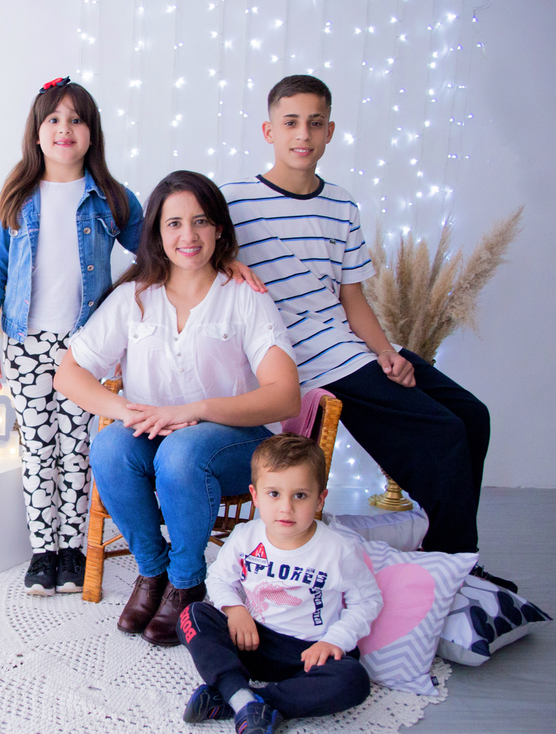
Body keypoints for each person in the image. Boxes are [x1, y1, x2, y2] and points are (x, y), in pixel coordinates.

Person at [220, 74, 514, 591]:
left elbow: (352, 297)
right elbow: (189, 253)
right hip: (306, 359)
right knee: (443, 434)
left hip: (351, 347)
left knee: (473, 416)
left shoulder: (341, 205)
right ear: (269, 131)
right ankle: (457, 565)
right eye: (290, 123)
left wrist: (386, 353)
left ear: (330, 131)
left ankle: (443, 546)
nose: (303, 134)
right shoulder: (234, 202)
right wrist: (226, 263)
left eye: (315, 123)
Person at [53, 170, 301, 646]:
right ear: (157, 232)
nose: (189, 235)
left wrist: (195, 410)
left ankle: (187, 581)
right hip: (159, 440)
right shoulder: (134, 298)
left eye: (201, 221)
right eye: (174, 223)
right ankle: (153, 573)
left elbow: (286, 395)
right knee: (109, 447)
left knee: (182, 451)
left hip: (236, 446)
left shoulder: (243, 296)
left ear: (219, 229)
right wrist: (126, 410)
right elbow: (69, 374)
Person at [0, 77, 144, 596]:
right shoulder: (16, 197)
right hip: (24, 344)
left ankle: (72, 550)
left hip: (82, 347)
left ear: (92, 133)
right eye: (53, 119)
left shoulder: (112, 199)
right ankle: (43, 551)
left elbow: (155, 255)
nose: (64, 129)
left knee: (76, 449)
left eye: (76, 120)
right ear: (37, 132)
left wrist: (127, 316)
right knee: (37, 449)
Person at [177, 433, 382, 734]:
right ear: (255, 496)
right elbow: (218, 578)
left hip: (306, 655)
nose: (286, 507)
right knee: (192, 615)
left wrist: (334, 641)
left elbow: (368, 601)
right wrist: (235, 610)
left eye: (300, 495)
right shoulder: (245, 536)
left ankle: (242, 700)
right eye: (274, 494)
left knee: (353, 681)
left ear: (320, 500)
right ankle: (240, 695)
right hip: (251, 640)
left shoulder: (339, 550)